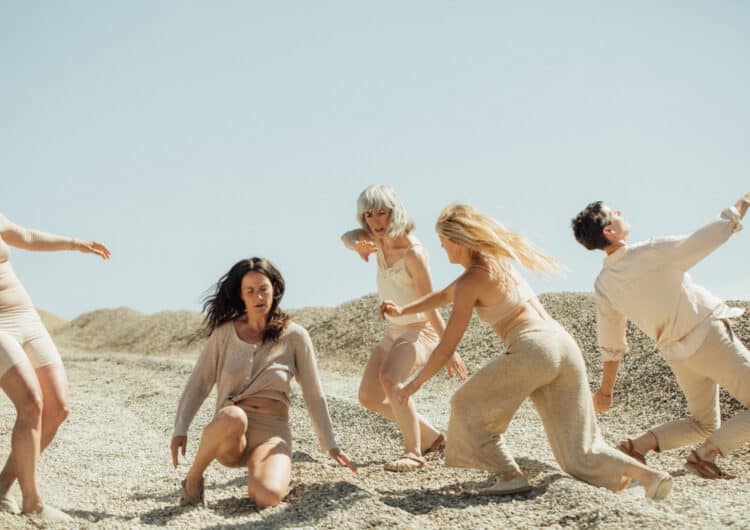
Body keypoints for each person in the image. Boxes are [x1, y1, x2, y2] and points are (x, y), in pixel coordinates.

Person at [383, 203, 672, 499]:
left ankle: (509, 474)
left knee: (465, 405)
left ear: (458, 241)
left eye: (444, 243)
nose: (443, 250)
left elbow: (447, 345)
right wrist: (404, 309)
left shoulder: (473, 280)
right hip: (563, 345)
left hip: (533, 347)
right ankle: (650, 478)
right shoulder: (494, 262)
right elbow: (444, 295)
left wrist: (414, 385)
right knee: (579, 448)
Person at [571, 193, 750, 479]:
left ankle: (636, 447)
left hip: (679, 357)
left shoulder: (604, 285)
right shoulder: (649, 251)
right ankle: (705, 456)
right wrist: (742, 204)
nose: (619, 211)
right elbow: (702, 240)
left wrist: (605, 391)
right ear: (609, 231)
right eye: (613, 212)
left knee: (703, 424)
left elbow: (612, 343)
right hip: (708, 336)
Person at [170, 257, 357, 509]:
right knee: (234, 416)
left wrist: (330, 445)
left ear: (274, 290)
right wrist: (180, 428)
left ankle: (261, 476)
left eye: (263, 289)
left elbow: (314, 393)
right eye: (250, 291)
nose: (258, 297)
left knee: (268, 497)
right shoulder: (224, 333)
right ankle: (193, 480)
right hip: (231, 435)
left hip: (272, 434)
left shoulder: (295, 336)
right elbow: (198, 384)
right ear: (241, 296)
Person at [341, 185, 467, 472]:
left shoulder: (413, 253)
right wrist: (357, 246)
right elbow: (346, 237)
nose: (376, 221)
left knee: (391, 380)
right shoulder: (375, 238)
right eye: (369, 215)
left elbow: (431, 303)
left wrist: (449, 349)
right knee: (368, 396)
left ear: (394, 211)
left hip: (422, 330)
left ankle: (413, 453)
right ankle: (432, 438)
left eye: (382, 213)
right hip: (394, 330)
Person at [0, 213, 110, 522]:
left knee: (58, 407)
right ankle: (32, 501)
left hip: (25, 317)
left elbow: (27, 237)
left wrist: (75, 244)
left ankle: (2, 486)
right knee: (30, 402)